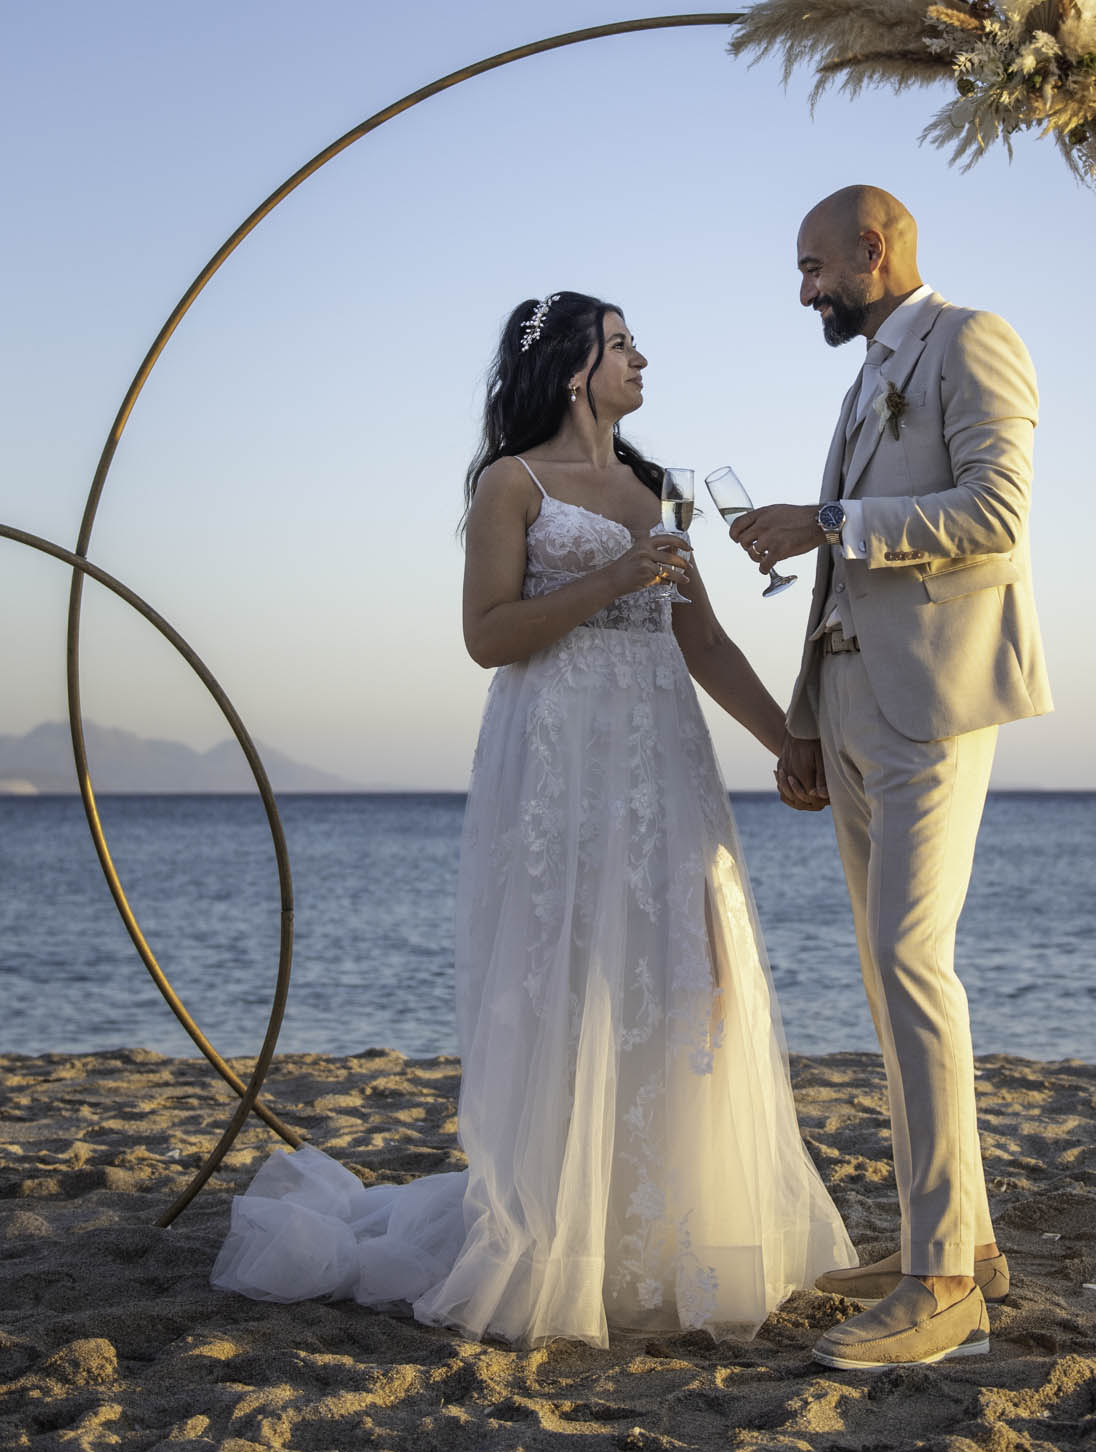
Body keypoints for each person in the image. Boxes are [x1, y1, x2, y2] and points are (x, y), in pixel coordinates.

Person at [211, 290, 855, 1347]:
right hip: (561, 763)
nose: (641, 357)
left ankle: (675, 1226)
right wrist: (610, 576)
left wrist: (788, 739)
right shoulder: (510, 485)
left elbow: (705, 646)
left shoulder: (661, 489)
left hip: (663, 756)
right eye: (619, 344)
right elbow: (486, 634)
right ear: (570, 369)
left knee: (696, 972)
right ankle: (562, 1229)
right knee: (567, 971)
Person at [731, 186, 1052, 1370]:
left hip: (933, 704)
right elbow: (829, 587)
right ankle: (960, 1239)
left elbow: (997, 514)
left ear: (874, 249)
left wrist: (826, 516)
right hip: (853, 700)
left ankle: (939, 1287)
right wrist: (804, 726)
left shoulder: (972, 339)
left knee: (915, 963)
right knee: (882, 973)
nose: (803, 288)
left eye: (813, 265)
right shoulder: (864, 373)